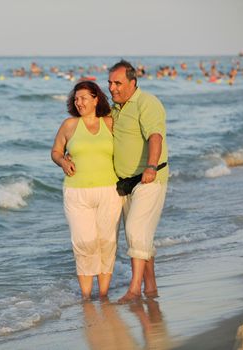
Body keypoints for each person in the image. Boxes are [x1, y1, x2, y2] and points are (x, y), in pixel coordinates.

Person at [51, 81, 122, 299]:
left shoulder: (110, 123)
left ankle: (103, 295)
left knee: (106, 243)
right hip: (76, 192)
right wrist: (63, 162)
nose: (78, 102)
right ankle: (86, 297)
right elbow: (55, 151)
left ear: (95, 99)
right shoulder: (69, 125)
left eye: (83, 98)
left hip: (110, 191)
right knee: (83, 243)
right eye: (76, 98)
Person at [107, 60, 169, 303]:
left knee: (135, 230)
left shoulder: (147, 102)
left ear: (133, 83)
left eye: (118, 83)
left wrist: (151, 167)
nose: (112, 88)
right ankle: (150, 286)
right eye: (110, 83)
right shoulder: (116, 108)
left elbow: (155, 135)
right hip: (125, 184)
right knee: (140, 236)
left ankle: (134, 290)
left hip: (149, 179)